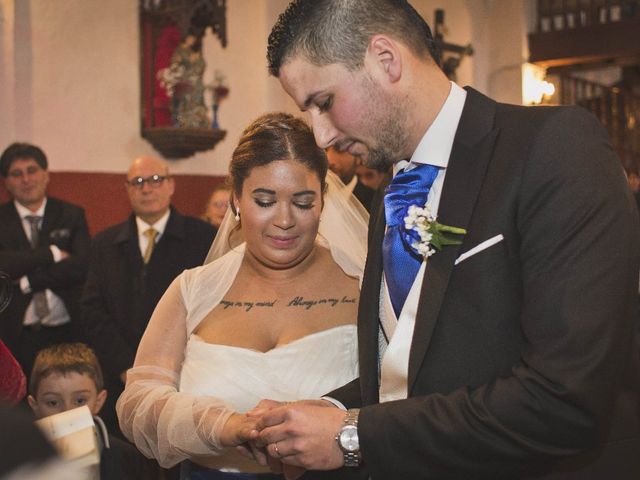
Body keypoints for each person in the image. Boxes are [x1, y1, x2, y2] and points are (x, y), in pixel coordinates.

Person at [253, 1, 640, 479]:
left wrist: (352, 434)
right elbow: (416, 367)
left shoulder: (554, 148)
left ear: (385, 60)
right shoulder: (391, 197)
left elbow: (565, 400)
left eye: (324, 102)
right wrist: (322, 411)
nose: (321, 135)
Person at [116, 112, 369, 479]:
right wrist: (222, 425)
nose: (284, 219)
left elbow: (401, 398)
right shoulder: (192, 289)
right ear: (236, 198)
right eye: (265, 201)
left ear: (323, 199)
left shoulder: (361, 284)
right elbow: (139, 405)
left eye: (302, 202)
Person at [81, 156, 216, 439]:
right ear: (128, 189)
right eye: (138, 182)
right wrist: (127, 368)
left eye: (155, 180)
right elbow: (93, 311)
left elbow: (212, 308)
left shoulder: (204, 238)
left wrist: (168, 370)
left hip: (183, 377)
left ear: (171, 185)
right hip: (120, 377)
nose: (147, 188)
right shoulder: (105, 243)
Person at [0, 142, 90, 377]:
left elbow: (82, 266)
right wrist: (52, 254)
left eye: (32, 170)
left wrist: (28, 280)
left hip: (67, 329)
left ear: (46, 174)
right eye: (16, 174)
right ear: (6, 182)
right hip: (15, 334)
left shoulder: (71, 214)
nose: (26, 180)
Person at [27, 342, 160, 480]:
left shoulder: (126, 457)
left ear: (98, 401)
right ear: (34, 405)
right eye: (53, 403)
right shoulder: (19, 458)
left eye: (80, 401)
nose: (68, 412)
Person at [326, 147, 375, 211]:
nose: (329, 159)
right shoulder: (314, 196)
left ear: (357, 157)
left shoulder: (375, 201)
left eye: (339, 150)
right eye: (324, 150)